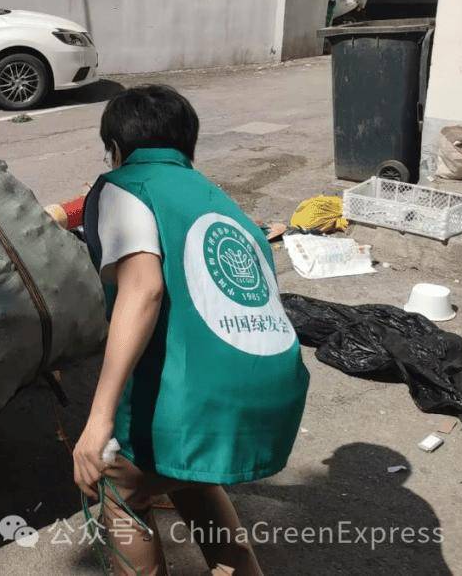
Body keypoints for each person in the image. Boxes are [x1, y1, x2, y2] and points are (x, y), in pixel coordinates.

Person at [74, 85, 309, 576]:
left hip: (200, 400)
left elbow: (143, 291)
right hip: (275, 393)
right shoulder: (220, 200)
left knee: (120, 487)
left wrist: (98, 423)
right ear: (188, 146)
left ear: (116, 148)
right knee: (186, 471)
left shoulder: (123, 185)